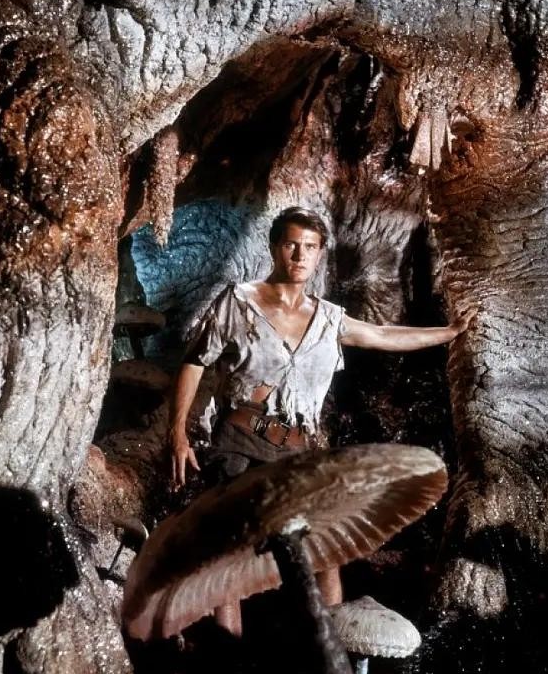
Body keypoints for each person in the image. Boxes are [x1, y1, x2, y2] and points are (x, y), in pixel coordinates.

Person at [166, 206, 463, 632]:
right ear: (275, 247)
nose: (299, 255)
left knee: (324, 552)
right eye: (291, 244)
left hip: (297, 449)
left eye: (309, 247)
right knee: (230, 554)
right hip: (240, 440)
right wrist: (178, 434)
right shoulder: (240, 302)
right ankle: (226, 652)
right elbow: (194, 362)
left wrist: (448, 334)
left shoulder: (327, 319)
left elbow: (383, 335)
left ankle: (333, 646)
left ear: (320, 254)